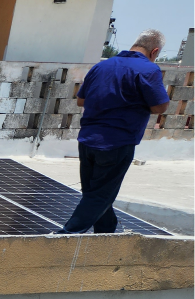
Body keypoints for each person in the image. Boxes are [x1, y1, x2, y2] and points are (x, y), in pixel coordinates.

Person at [59, 29, 170, 234]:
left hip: (88, 140)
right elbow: (160, 107)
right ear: (154, 51)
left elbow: (81, 101)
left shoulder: (102, 66)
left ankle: (106, 232)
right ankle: (64, 236)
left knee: (94, 193)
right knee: (100, 196)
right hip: (117, 143)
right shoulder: (148, 70)